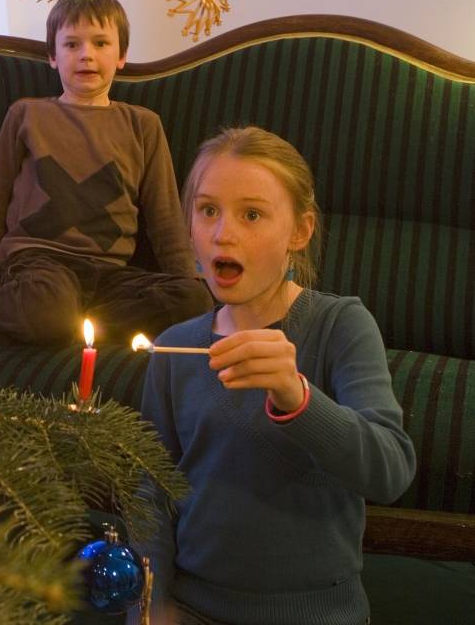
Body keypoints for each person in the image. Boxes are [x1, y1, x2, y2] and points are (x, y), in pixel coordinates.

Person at [133, 126, 416, 625]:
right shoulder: (174, 346)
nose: (224, 233)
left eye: (253, 214)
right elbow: (151, 490)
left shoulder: (341, 325)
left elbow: (390, 471)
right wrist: (152, 606)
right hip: (197, 609)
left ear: (300, 231)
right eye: (207, 210)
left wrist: (296, 396)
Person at [0, 0, 211, 346]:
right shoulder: (27, 115)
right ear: (52, 56)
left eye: (101, 43)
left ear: (122, 55)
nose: (87, 55)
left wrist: (188, 289)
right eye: (72, 45)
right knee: (47, 305)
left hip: (109, 276)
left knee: (195, 301)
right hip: (40, 265)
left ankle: (53, 327)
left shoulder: (143, 125)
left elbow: (165, 218)